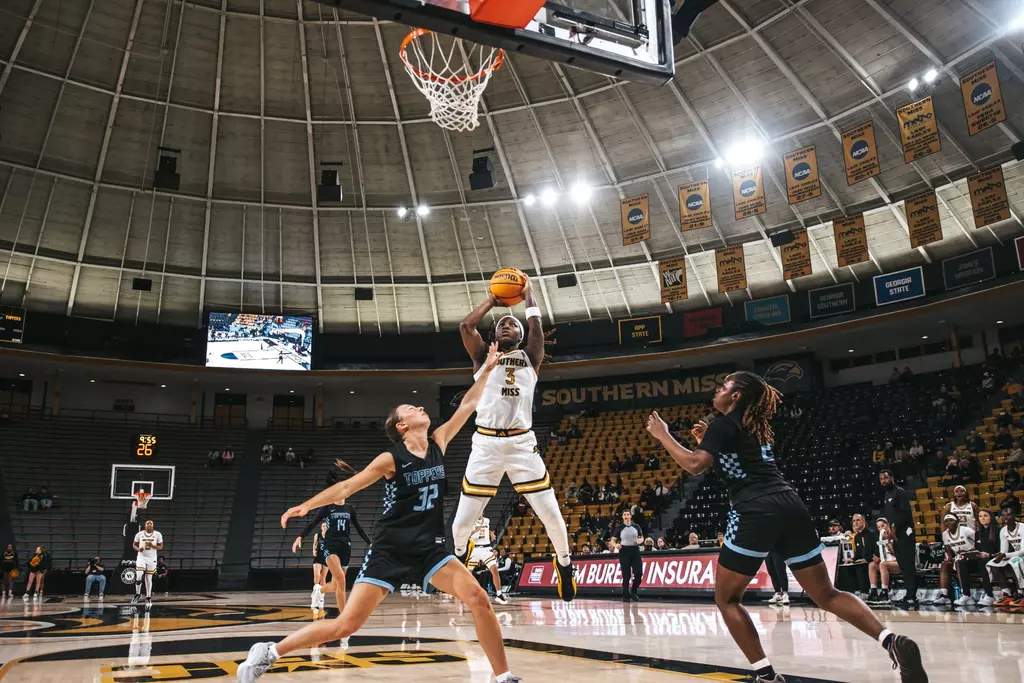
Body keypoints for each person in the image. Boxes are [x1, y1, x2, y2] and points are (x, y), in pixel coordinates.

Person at [237, 343, 520, 683]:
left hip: (429, 548)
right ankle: (268, 652)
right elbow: (346, 488)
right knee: (347, 624)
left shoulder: (438, 442)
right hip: (389, 549)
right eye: (411, 409)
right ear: (401, 426)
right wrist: (306, 506)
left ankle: (503, 677)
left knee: (479, 598)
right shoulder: (391, 459)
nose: (420, 407)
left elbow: (471, 402)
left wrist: (488, 368)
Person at [646, 371, 926, 683]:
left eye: (724, 385)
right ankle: (891, 640)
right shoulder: (756, 427)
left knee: (727, 600)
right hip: (791, 505)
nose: (718, 388)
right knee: (827, 594)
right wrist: (706, 442)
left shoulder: (722, 425)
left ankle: (765, 676)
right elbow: (736, 464)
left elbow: (695, 465)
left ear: (736, 396)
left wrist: (664, 435)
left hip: (755, 510)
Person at [452, 280, 577, 602]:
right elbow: (466, 325)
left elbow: (535, 324)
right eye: (502, 324)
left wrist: (529, 295)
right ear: (494, 333)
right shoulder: (483, 356)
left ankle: (564, 565)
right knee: (461, 523)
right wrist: (492, 302)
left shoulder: (531, 356)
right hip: (485, 445)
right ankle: (457, 563)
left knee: (551, 515)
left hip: (522, 444)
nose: (508, 325)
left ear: (521, 336)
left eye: (513, 324)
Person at [291, 475, 370, 612]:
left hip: (345, 546)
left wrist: (370, 542)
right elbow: (313, 523)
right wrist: (300, 536)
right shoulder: (327, 508)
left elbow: (359, 528)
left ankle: (320, 591)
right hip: (330, 545)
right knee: (341, 580)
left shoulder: (350, 508)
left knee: (335, 585)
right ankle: (344, 618)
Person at [879, 469, 919, 608]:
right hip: (896, 535)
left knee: (908, 565)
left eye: (886, 478)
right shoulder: (887, 494)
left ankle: (912, 596)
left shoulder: (900, 492)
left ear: (892, 478)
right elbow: (890, 516)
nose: (884, 481)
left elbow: (904, 514)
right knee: (903, 566)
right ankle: (909, 594)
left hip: (905, 533)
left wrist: (894, 529)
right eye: (881, 479)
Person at [936, 513, 994, 607]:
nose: (948, 523)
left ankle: (965, 594)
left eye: (951, 520)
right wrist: (948, 558)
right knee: (945, 564)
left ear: (957, 521)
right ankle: (944, 595)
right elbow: (948, 549)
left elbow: (978, 543)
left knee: (960, 561)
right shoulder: (945, 534)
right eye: (946, 521)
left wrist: (970, 553)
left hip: (972, 557)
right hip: (959, 556)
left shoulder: (967, 531)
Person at [466, 514, 508, 605]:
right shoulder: (471, 520)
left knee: (495, 570)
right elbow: (466, 533)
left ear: (483, 513)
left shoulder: (487, 520)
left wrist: (491, 533)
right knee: (468, 573)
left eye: (481, 511)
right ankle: (466, 594)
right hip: (475, 549)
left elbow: (485, 529)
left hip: (486, 549)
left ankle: (499, 594)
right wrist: (475, 530)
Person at [987, 508, 1024, 607]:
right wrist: (999, 555)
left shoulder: (1022, 527)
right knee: (993, 563)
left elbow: (1023, 550)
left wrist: (1005, 555)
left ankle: (1021, 593)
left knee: (1016, 562)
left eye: (1008, 515)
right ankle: (1006, 592)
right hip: (1017, 555)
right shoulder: (1003, 530)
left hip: (1021, 555)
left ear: (1014, 516)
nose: (1005, 517)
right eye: (1003, 515)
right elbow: (1004, 550)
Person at [132, 520, 164, 605]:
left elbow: (161, 547)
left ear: (153, 525)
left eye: (151, 523)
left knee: (148, 578)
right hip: (141, 557)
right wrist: (138, 549)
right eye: (147, 523)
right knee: (139, 574)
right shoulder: (139, 534)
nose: (149, 524)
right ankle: (137, 594)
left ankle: (148, 597)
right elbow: (134, 544)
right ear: (145, 525)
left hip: (152, 558)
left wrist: (152, 546)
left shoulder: (158, 534)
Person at [617, 509, 643, 602]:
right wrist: (616, 544)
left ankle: (634, 590)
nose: (627, 516)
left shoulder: (636, 526)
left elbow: (641, 537)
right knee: (626, 575)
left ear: (630, 516)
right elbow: (612, 539)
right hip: (624, 551)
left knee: (639, 573)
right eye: (625, 514)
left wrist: (640, 540)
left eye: (628, 514)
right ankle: (625, 595)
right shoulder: (619, 527)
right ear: (623, 517)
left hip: (635, 550)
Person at [872, 518, 901, 604]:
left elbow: (897, 554)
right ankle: (873, 592)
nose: (881, 529)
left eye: (883, 525)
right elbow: (879, 554)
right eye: (879, 527)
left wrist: (888, 541)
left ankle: (884, 592)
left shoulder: (896, 536)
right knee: (872, 565)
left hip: (898, 563)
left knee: (883, 565)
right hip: (886, 563)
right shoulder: (880, 540)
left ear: (888, 525)